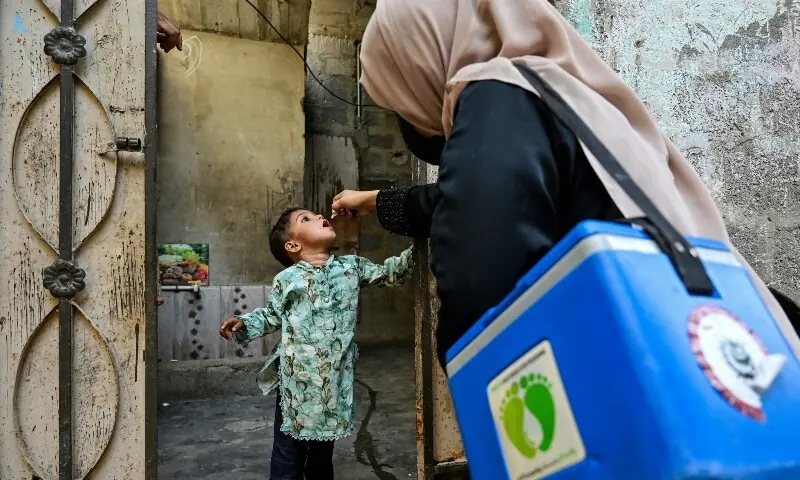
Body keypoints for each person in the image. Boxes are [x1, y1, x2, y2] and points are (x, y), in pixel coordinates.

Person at [331, 0, 800, 369]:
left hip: (645, 390)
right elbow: (488, 206)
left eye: (396, 89)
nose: (407, 113)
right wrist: (382, 202)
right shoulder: (568, 94)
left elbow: (486, 303)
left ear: (418, 52)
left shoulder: (497, 95)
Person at [219, 208, 413, 479]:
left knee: (322, 453)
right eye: (305, 219)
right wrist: (244, 323)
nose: (320, 217)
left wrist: (422, 244)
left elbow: (391, 273)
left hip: (332, 381)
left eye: (317, 215)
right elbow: (272, 315)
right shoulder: (287, 280)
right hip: (296, 381)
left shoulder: (351, 267)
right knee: (288, 451)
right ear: (293, 245)